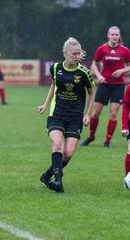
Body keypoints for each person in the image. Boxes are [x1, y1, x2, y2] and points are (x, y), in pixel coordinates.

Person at [37, 37, 95, 193]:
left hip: (75, 117)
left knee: (68, 154)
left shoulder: (84, 72)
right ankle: (58, 180)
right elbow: (53, 86)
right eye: (74, 53)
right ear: (65, 53)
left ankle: (46, 176)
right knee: (57, 145)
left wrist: (87, 114)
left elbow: (91, 93)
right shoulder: (55, 68)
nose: (77, 56)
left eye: (79, 53)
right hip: (57, 113)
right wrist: (45, 104)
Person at [80, 26, 130, 148]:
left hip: (118, 85)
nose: (114, 37)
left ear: (119, 36)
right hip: (104, 85)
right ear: (108, 35)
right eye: (112, 35)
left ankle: (107, 141)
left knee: (113, 113)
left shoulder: (125, 50)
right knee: (95, 113)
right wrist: (98, 76)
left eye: (116, 35)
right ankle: (91, 137)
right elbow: (94, 64)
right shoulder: (102, 49)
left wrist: (121, 70)